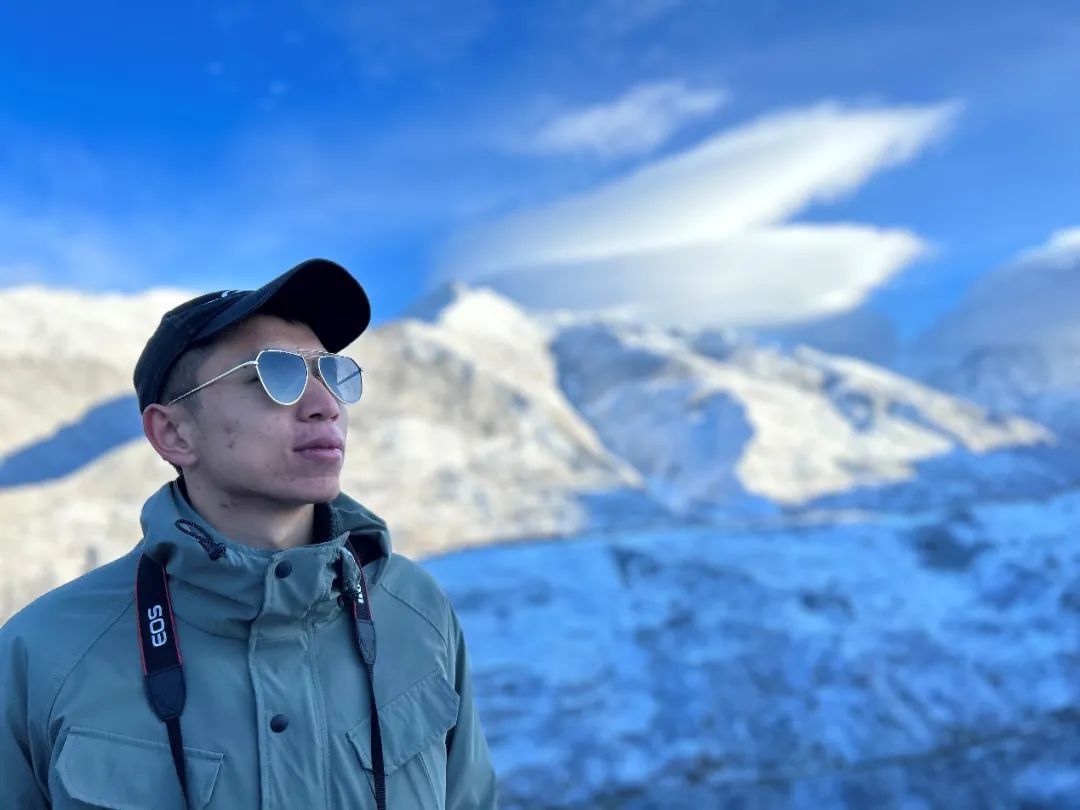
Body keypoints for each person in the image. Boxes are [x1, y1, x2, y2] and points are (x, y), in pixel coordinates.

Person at [0, 259, 498, 809]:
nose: (325, 406)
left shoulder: (417, 610)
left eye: (330, 373)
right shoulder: (41, 653)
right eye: (274, 376)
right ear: (173, 433)